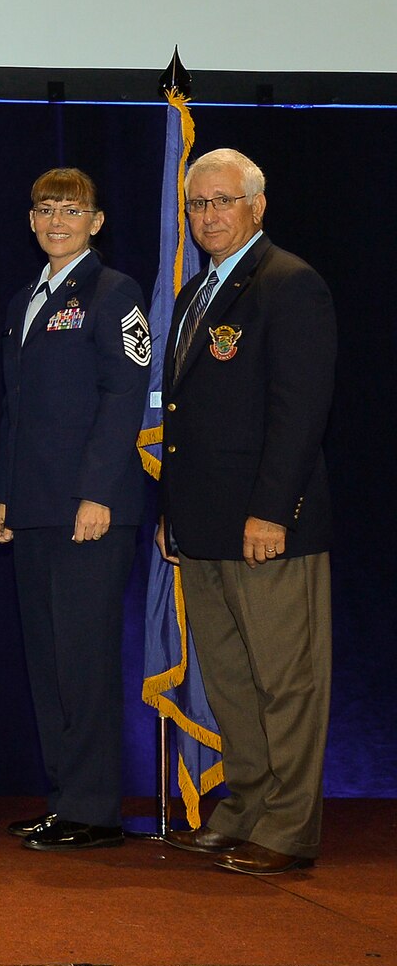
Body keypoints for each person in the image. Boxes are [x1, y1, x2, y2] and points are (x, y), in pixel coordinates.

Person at [158, 148, 336, 876]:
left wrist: (272, 512)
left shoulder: (289, 284)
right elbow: (184, 418)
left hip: (267, 530)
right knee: (230, 680)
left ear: (256, 207)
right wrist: (173, 512)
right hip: (203, 528)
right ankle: (248, 807)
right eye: (198, 205)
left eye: (222, 202)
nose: (208, 217)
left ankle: (289, 827)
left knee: (284, 679)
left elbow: (299, 413)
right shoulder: (194, 294)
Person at [0, 168, 150, 852]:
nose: (57, 220)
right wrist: (4, 493)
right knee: (49, 660)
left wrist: (98, 492)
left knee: (82, 661)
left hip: (89, 511)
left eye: (72, 209)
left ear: (97, 221)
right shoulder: (27, 297)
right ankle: (65, 800)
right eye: (46, 209)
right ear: (30, 221)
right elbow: (17, 414)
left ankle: (94, 809)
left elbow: (123, 396)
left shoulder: (114, 293)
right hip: (34, 507)